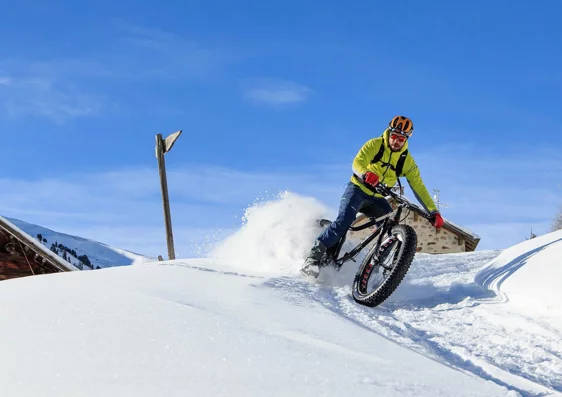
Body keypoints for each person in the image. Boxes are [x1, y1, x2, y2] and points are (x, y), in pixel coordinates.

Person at [301, 115, 444, 277]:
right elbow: (357, 163)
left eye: (401, 139)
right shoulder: (375, 145)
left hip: (377, 198)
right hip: (357, 189)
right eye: (395, 137)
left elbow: (419, 186)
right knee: (344, 221)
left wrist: (433, 212)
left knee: (390, 228)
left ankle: (374, 267)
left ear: (406, 140)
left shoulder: (406, 161)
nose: (397, 142)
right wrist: (366, 173)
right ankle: (313, 258)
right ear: (389, 133)